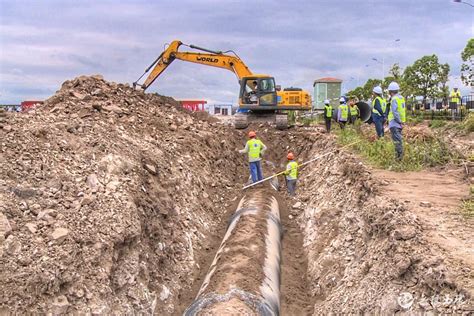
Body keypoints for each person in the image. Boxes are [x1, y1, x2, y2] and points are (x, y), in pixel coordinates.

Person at [387, 82, 406, 160]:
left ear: (390, 91)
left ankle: (399, 158)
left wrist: (399, 121)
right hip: (400, 123)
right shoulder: (401, 98)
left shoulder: (394, 99)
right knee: (399, 140)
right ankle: (399, 157)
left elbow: (395, 112)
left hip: (395, 123)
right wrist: (402, 122)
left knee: (397, 141)